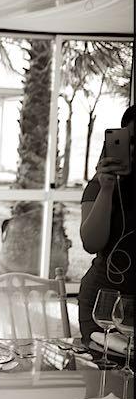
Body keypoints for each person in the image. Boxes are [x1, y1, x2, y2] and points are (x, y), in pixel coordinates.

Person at [78, 104, 135, 345]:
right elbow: (91, 243)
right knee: (104, 377)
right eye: (130, 140)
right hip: (103, 301)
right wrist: (107, 188)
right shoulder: (100, 186)